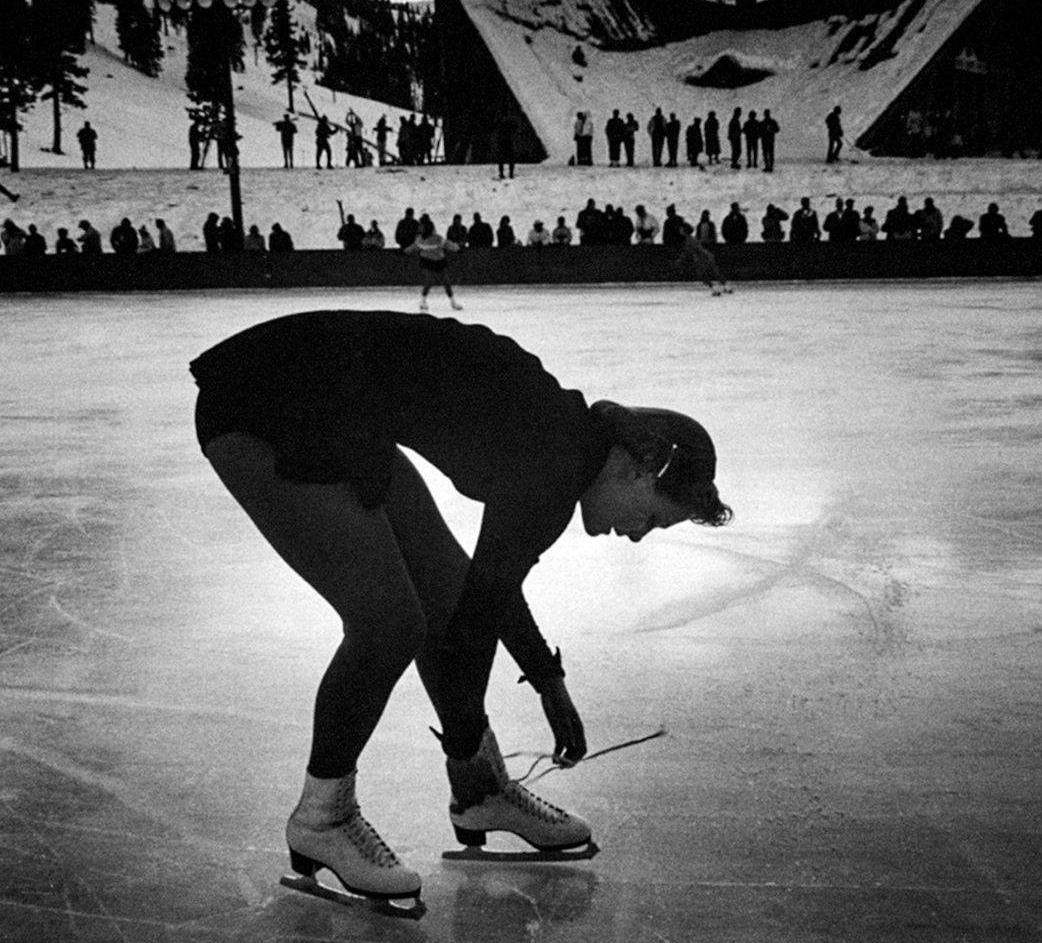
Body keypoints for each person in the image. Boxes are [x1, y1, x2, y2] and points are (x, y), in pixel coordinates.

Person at [189, 310, 732, 907]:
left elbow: (489, 591)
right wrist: (466, 739)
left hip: (338, 409)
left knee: (443, 598)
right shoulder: (553, 462)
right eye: (652, 517)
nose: (636, 536)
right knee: (389, 624)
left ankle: (484, 793)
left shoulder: (564, 446)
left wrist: (547, 682)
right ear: (635, 467)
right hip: (263, 400)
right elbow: (477, 626)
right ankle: (323, 817)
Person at [409, 215, 462, 310]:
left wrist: (456, 248)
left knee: (446, 282)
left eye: (422, 228)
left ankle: (453, 302)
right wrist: (457, 248)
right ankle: (422, 301)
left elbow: (447, 244)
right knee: (429, 281)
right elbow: (414, 247)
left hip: (439, 261)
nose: (420, 229)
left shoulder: (436, 238)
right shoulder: (420, 238)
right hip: (427, 261)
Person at [760, 109, 779, 174]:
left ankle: (769, 167)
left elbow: (777, 130)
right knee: (768, 153)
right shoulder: (772, 122)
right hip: (768, 140)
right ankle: (769, 167)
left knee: (768, 153)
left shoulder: (763, 122)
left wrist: (770, 130)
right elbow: (777, 129)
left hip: (767, 140)